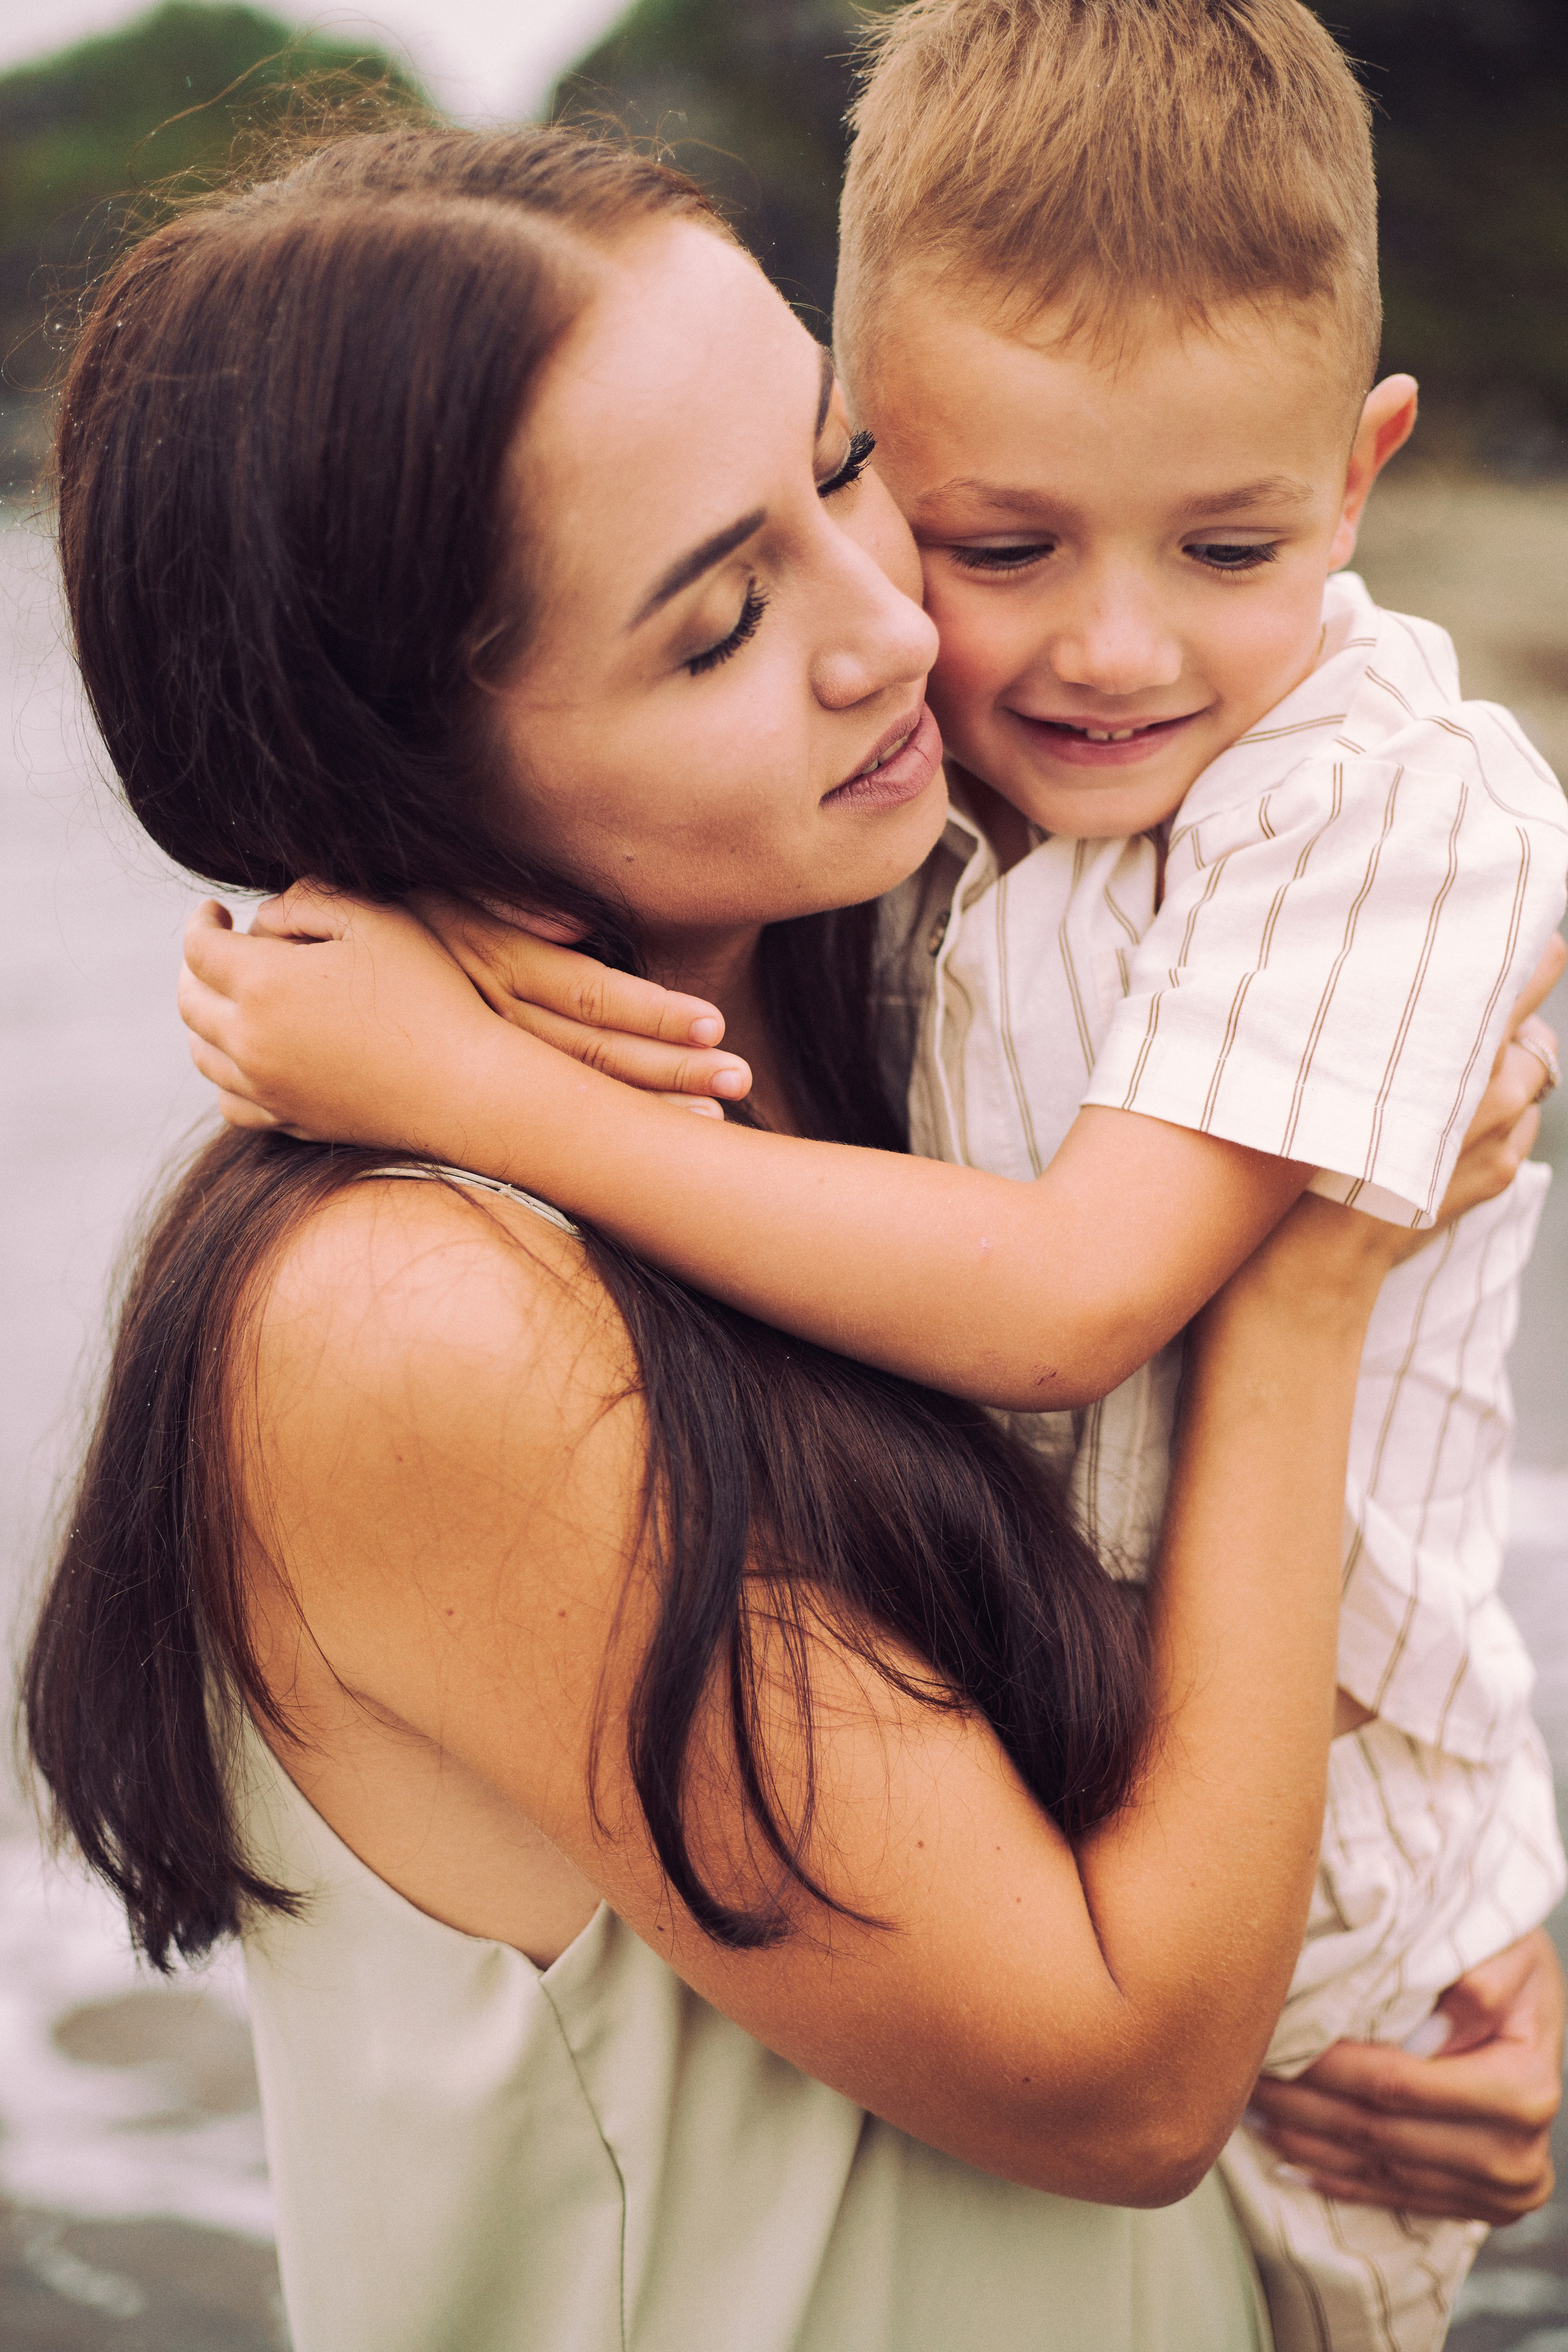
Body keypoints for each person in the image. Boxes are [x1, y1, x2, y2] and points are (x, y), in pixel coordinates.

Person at [24, 116, 1555, 2352]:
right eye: (724, 617)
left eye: (847, 470)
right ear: (394, 770)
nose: (893, 630)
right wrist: (1311, 1279)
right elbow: (1122, 2073)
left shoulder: (925, 1017)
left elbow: (1174, 1742)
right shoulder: (414, 1305)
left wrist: (1430, 1965)